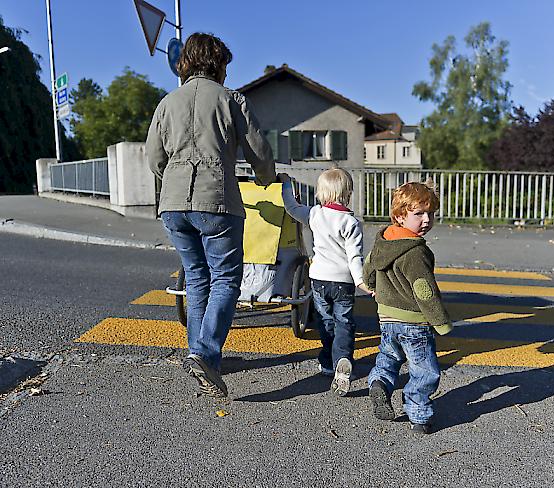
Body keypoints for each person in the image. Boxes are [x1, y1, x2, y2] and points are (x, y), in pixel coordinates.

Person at [146, 33, 275, 398]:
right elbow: (258, 151)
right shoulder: (231, 100)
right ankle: (204, 353)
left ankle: (201, 356)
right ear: (218, 64)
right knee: (225, 280)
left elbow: (154, 157)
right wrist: (267, 179)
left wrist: (171, 179)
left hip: (172, 204)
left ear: (185, 63)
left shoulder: (167, 102)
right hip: (216, 200)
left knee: (197, 278)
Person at [363, 182, 453, 434]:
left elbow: (369, 266)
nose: (426, 220)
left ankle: (380, 382)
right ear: (400, 215)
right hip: (414, 321)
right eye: (419, 214)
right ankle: (418, 414)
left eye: (431, 213)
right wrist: (440, 321)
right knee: (424, 369)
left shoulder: (383, 241)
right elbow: (424, 290)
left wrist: (371, 285)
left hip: (386, 317)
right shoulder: (416, 252)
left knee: (389, 356)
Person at [277, 169, 370, 396]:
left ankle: (328, 363)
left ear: (320, 192)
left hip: (318, 279)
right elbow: (354, 257)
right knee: (344, 322)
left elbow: (291, 207)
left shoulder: (315, 214)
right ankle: (343, 360)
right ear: (348, 193)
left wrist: (286, 185)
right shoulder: (351, 222)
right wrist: (361, 281)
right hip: (344, 282)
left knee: (326, 321)